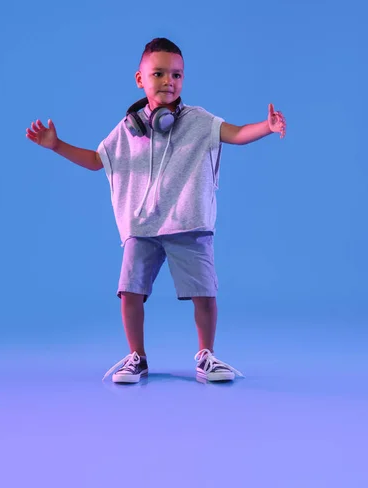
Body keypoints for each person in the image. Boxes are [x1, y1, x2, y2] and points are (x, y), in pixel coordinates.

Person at [26, 37, 286, 384]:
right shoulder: (128, 129)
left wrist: (266, 127)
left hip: (188, 222)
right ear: (140, 79)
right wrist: (56, 145)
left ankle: (206, 356)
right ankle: (137, 357)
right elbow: (95, 161)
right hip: (142, 226)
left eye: (177, 75)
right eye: (159, 73)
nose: (169, 81)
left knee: (205, 293)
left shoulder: (199, 120)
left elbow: (236, 134)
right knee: (129, 291)